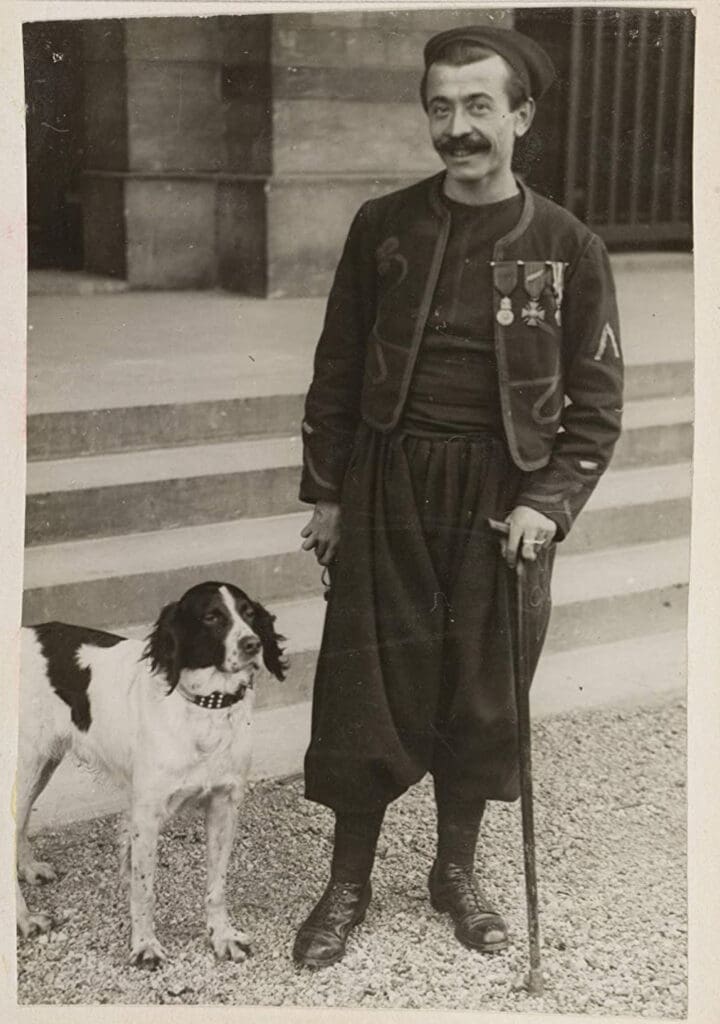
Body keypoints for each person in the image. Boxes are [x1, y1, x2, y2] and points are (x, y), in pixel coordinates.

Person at [293, 24, 623, 969]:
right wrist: (329, 494)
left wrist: (547, 503)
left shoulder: (569, 244)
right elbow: (338, 367)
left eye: (479, 105)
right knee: (365, 687)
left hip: (502, 501)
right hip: (389, 481)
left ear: (521, 116)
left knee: (482, 693)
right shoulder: (382, 225)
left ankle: (454, 872)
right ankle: (347, 881)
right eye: (441, 106)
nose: (458, 126)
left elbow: (597, 407)